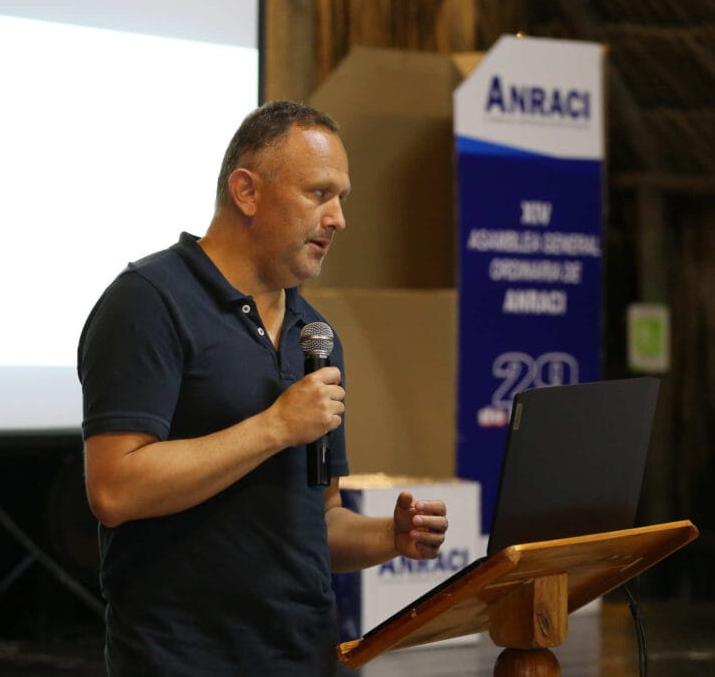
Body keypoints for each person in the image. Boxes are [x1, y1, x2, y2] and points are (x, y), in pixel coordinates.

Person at [77, 100, 449, 676]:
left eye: (342, 198)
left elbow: (319, 522)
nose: (338, 218)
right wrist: (274, 427)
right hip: (182, 658)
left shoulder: (314, 336)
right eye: (318, 193)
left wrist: (390, 538)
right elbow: (115, 489)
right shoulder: (149, 301)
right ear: (246, 192)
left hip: (303, 654)